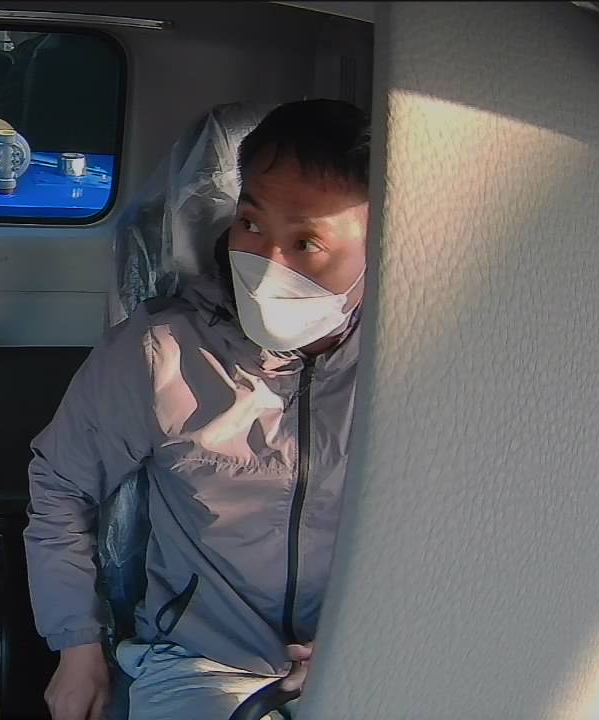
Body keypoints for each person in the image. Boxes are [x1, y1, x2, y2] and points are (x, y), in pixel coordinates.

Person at [25, 99, 371, 720]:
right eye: (251, 224)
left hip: (369, 651)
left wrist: (374, 637)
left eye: (306, 241)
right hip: (200, 661)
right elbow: (60, 486)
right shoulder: (161, 351)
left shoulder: (413, 367)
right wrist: (77, 645)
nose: (266, 266)